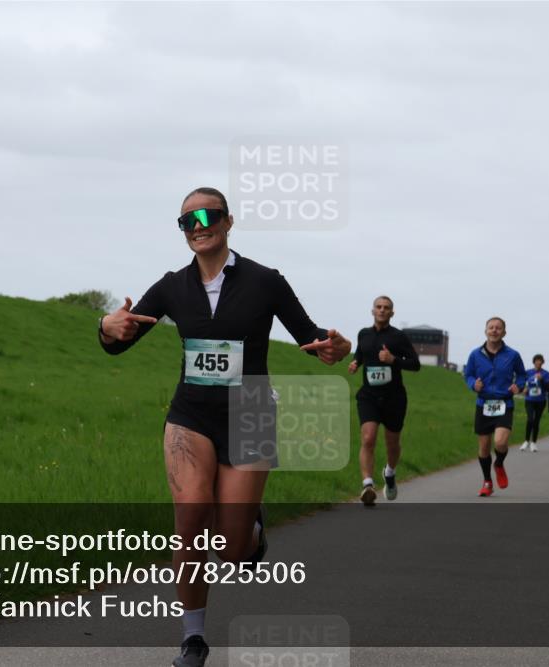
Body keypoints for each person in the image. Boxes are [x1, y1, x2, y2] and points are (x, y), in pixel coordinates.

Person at [99, 187, 351, 667]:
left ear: (228, 221)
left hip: (251, 411)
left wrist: (333, 348)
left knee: (232, 550)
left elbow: (312, 339)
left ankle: (250, 532)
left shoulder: (265, 281)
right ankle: (193, 638)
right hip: (190, 414)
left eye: (206, 215)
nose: (197, 225)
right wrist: (106, 328)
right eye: (186, 221)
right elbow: (121, 337)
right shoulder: (173, 285)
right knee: (191, 519)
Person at [348, 296, 421, 505]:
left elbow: (415, 364)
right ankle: (368, 485)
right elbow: (360, 355)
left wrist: (393, 360)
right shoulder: (364, 334)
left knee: (392, 443)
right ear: (372, 311)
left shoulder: (398, 337)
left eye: (386, 308)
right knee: (368, 438)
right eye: (378, 307)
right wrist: (355, 363)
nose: (382, 310)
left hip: (394, 397)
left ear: (392, 313)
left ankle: (389, 473)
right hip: (369, 395)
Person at [463, 317, 526, 497]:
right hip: (483, 404)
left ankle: (498, 463)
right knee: (483, 447)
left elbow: (521, 375)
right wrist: (473, 385)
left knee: (500, 442)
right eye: (491, 327)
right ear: (485, 331)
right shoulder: (475, 355)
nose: (494, 330)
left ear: (504, 332)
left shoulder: (513, 355)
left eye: (498, 328)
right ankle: (487, 481)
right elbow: (467, 375)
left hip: (504, 403)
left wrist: (518, 386)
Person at [520, 354, 549, 452]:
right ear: (534, 362)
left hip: (541, 401)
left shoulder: (545, 373)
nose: (538, 362)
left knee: (536, 421)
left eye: (540, 361)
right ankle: (526, 441)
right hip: (529, 400)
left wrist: (542, 380)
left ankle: (533, 442)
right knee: (530, 419)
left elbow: (547, 388)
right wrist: (523, 388)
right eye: (537, 360)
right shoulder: (528, 372)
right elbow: (522, 383)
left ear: (542, 362)